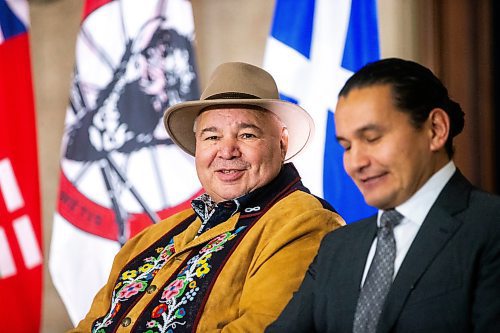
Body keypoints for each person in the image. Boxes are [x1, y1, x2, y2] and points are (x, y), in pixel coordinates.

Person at [71, 62, 344, 332]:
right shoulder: (148, 239)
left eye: (247, 135)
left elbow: (261, 329)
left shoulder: (306, 223)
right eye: (212, 137)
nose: (226, 151)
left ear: (281, 143)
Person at [267, 58, 500, 332]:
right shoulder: (337, 247)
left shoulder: (490, 226)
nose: (355, 163)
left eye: (372, 138)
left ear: (435, 129)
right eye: (347, 146)